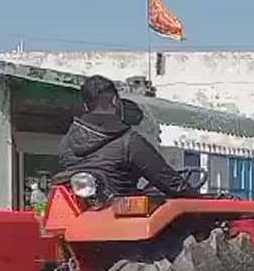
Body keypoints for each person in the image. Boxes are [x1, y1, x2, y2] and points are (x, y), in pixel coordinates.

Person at [56, 75, 189, 196]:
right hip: (119, 216)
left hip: (78, 216)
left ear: (85, 107)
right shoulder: (129, 141)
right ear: (115, 101)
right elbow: (171, 183)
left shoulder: (66, 143)